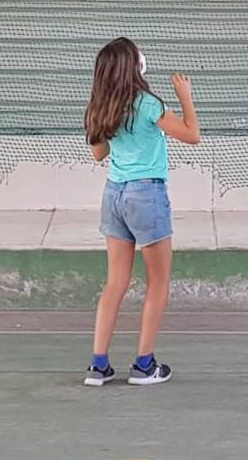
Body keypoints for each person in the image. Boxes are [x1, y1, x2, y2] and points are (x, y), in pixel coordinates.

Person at [83, 38, 200, 388]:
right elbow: (192, 135)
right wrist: (185, 98)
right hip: (146, 195)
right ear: (134, 66)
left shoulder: (100, 107)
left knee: (115, 281)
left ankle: (98, 365)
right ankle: (144, 364)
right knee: (158, 282)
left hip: (114, 194)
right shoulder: (148, 104)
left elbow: (98, 155)